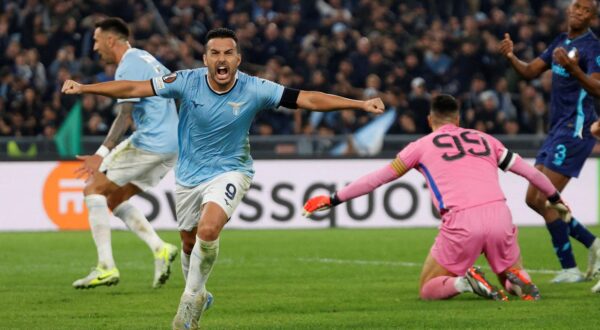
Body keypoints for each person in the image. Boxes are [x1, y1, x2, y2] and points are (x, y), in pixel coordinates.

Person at [62, 27, 384, 329]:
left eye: (228, 53)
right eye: (214, 53)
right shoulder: (186, 81)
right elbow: (134, 88)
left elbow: (308, 99)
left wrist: (359, 104)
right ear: (205, 59)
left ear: (237, 59)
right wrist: (86, 87)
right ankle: (201, 293)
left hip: (232, 170)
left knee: (209, 228)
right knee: (188, 243)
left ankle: (189, 300)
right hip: (188, 175)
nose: (221, 59)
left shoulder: (255, 88)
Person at [303, 94, 573, 301]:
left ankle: (464, 283)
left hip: (462, 222)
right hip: (499, 215)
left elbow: (378, 179)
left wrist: (334, 198)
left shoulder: (419, 147)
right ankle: (520, 279)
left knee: (427, 287)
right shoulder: (486, 139)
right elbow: (530, 172)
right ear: (458, 121)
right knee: (509, 272)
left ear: (430, 121)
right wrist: (555, 198)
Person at [71, 17, 179, 289]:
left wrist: (100, 152)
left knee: (92, 189)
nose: (95, 48)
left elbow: (125, 116)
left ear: (110, 40)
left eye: (96, 41)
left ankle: (105, 267)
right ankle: (160, 248)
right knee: (115, 197)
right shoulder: (147, 58)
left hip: (150, 141)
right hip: (172, 144)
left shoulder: (128, 64)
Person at [499, 0, 600, 284]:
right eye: (576, 7)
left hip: (575, 130)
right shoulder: (560, 40)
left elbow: (598, 87)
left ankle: (570, 267)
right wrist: (511, 57)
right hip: (557, 130)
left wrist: (574, 69)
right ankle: (592, 244)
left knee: (544, 198)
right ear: (569, 10)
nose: (578, 12)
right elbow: (530, 71)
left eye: (585, 10)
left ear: (592, 17)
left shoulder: (592, 48)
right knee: (533, 199)